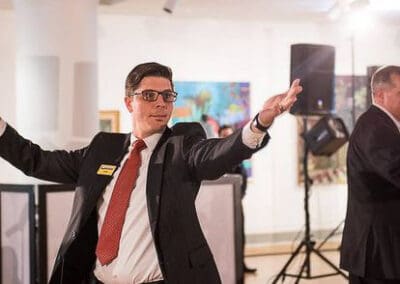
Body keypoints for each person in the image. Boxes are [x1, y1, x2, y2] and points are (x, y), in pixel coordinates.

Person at [0, 62, 302, 284]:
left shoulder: (183, 144)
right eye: (149, 96)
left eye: (167, 96)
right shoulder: (103, 149)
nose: (161, 103)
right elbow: (36, 161)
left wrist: (259, 123)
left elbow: (215, 155)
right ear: (129, 102)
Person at [340, 65, 400, 284]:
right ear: (381, 95)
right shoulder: (376, 127)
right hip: (378, 252)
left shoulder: (382, 125)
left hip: (383, 250)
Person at [218, 124, 257, 275]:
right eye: (224, 135)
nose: (227, 137)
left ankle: (241, 265)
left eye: (229, 135)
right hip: (219, 205)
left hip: (235, 203)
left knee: (240, 235)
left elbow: (243, 178)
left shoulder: (237, 155)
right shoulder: (216, 156)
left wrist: (239, 196)